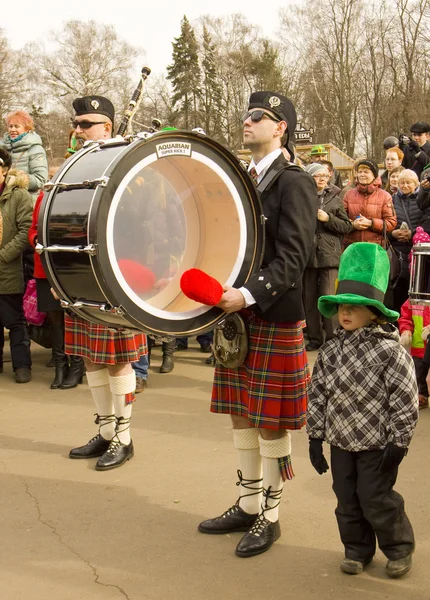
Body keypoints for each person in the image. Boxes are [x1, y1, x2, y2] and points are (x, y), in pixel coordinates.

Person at [198, 91, 317, 557]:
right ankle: (247, 503)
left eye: (258, 117)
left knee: (271, 421)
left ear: (280, 126)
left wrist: (245, 295)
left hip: (268, 312)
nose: (246, 122)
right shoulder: (240, 180)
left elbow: (294, 257)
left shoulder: (295, 182)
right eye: (245, 115)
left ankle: (270, 515)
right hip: (235, 314)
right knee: (240, 410)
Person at [307, 242, 418, 578]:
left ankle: (398, 548)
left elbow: (405, 398)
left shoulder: (390, 352)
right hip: (340, 440)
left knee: (376, 497)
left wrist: (399, 441)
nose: (345, 312)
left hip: (377, 443)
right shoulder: (330, 350)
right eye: (342, 305)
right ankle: (356, 549)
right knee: (346, 498)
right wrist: (315, 437)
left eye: (354, 307)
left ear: (373, 311)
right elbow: (318, 393)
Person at [64, 96, 147, 470]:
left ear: (108, 127)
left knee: (118, 362)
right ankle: (105, 430)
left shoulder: (130, 167)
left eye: (86, 124)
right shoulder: (73, 166)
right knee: (91, 358)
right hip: (80, 277)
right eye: (76, 124)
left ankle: (124, 439)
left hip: (118, 276)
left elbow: (143, 225)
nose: (78, 131)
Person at [28, 158, 85, 389]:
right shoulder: (42, 197)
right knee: (55, 320)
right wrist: (36, 240)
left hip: (70, 268)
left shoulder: (76, 198)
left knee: (73, 319)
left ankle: (77, 366)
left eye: (57, 175)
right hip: (45, 267)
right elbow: (32, 229)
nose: (53, 179)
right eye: (50, 176)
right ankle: (60, 364)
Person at [303, 163, 352, 351]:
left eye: (325, 175)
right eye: (317, 175)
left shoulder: (335, 198)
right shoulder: (303, 197)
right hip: (307, 255)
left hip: (330, 256)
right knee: (309, 299)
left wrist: (328, 219)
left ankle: (333, 338)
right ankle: (315, 338)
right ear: (310, 178)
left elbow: (347, 226)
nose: (322, 178)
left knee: (329, 297)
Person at [0, 147, 33, 383]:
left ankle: (22, 366)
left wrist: (2, 256)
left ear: (4, 169)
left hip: (8, 269)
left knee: (15, 321)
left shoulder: (19, 195)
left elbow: (25, 232)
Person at [389, 169, 427, 312]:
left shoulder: (423, 200)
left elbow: (425, 221)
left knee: (417, 286)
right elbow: (388, 221)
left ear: (416, 184)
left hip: (417, 249)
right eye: (402, 182)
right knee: (398, 286)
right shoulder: (392, 199)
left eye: (408, 182)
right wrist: (393, 233)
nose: (405, 185)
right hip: (398, 250)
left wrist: (412, 234)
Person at [342, 158, 397, 248]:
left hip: (376, 248)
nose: (362, 174)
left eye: (366, 172)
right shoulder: (348, 194)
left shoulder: (385, 196)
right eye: (360, 172)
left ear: (374, 175)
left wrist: (371, 223)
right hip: (352, 247)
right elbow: (341, 220)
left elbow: (391, 223)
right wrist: (353, 224)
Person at [1, 110, 48, 203]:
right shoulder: (2, 148)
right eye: (10, 126)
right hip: (3, 201)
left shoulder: (35, 149)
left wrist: (15, 179)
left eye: (16, 126)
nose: (12, 130)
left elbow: (40, 180)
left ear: (27, 128)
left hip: (25, 202)